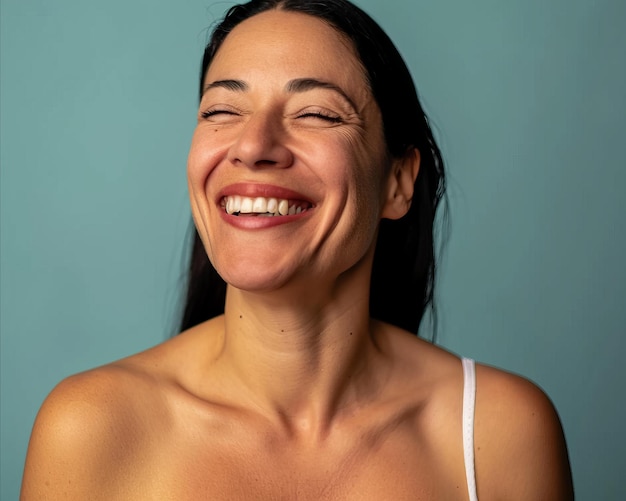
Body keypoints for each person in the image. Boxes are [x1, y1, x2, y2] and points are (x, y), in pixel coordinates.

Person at [21, 0, 574, 499]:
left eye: (317, 113)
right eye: (221, 111)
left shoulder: (500, 434)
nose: (254, 145)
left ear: (398, 182)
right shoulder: (90, 428)